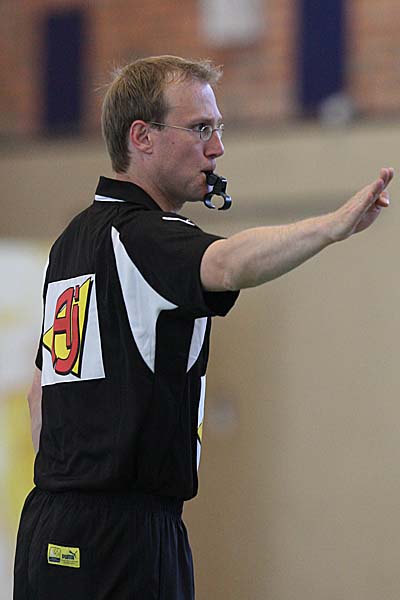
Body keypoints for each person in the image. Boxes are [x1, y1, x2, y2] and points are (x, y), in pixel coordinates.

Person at [14, 55, 393, 600]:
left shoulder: (71, 241)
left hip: (49, 528)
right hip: (123, 541)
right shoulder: (144, 236)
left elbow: (40, 395)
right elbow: (228, 263)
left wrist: (73, 490)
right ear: (142, 137)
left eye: (218, 128)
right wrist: (330, 227)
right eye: (199, 128)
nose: (217, 148)